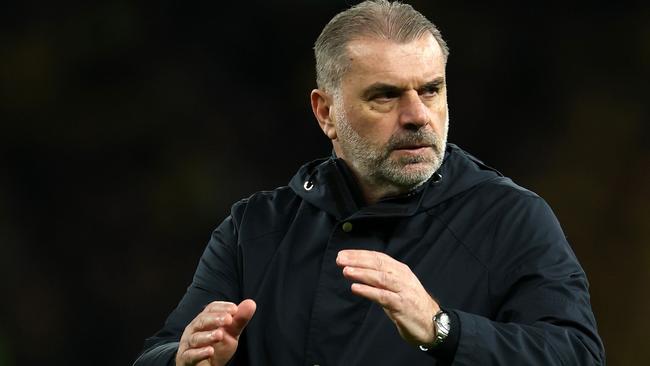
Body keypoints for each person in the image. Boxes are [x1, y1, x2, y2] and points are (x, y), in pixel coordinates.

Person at [134, 1, 605, 365]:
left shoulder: (510, 218)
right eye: (385, 96)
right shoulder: (255, 227)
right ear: (325, 112)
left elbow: (577, 354)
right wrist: (184, 358)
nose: (418, 115)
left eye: (430, 90)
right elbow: (161, 351)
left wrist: (444, 330)